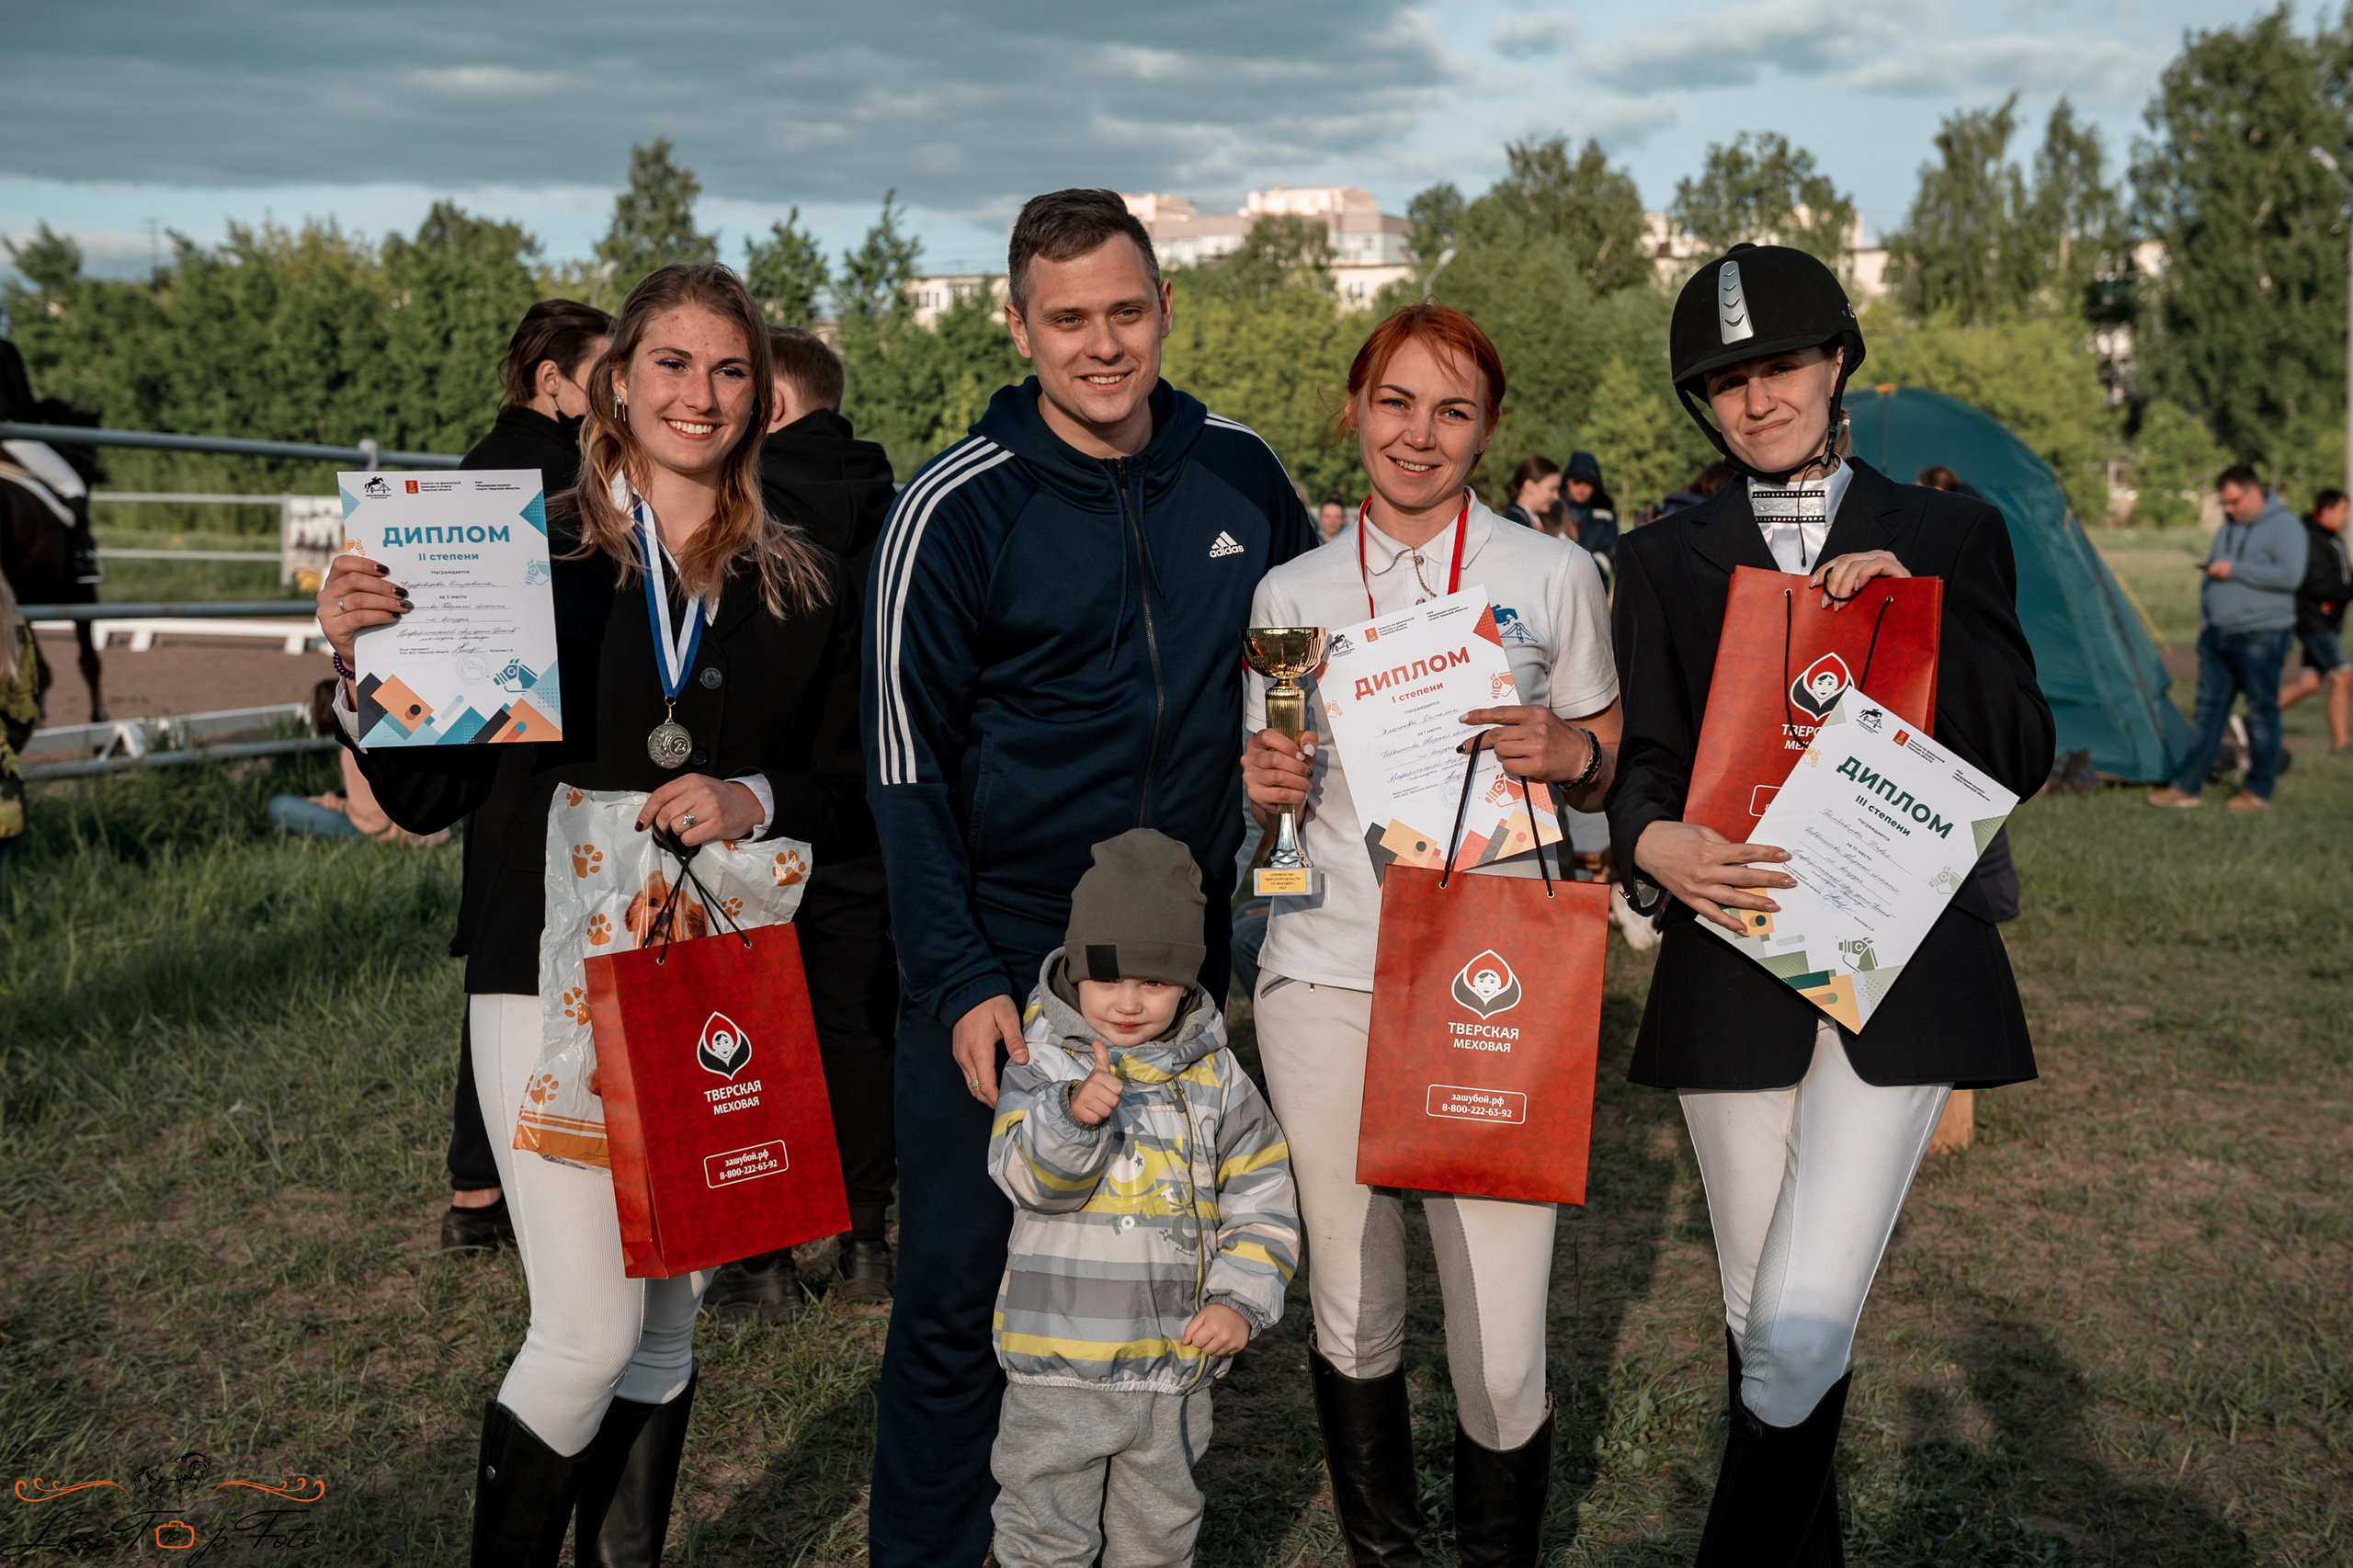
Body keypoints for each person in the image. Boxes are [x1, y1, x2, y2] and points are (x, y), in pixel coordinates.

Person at [319, 263, 865, 1566]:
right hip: (542, 972)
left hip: (709, 982)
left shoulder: (796, 578)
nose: (702, 394)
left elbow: (850, 793)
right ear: (616, 380)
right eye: (671, 363)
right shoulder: (524, 558)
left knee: (668, 1326)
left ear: (761, 392)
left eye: (730, 370)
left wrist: (756, 791)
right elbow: (432, 784)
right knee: (590, 1329)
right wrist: (360, 673)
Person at [861, 187, 1315, 1567]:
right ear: (1019, 326)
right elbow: (904, 769)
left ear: (1166, 307)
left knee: (1149, 1280)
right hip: (1001, 954)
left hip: (1178, 960)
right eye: (1069, 320)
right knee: (959, 1284)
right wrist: (956, 981)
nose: (1103, 345)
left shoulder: (1242, 474)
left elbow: (1312, 668)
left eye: (1127, 311)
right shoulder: (952, 508)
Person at [1611, 242, 2052, 1562]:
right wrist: (1652, 841)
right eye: (1725, 381)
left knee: (1801, 1327)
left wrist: (1922, 619)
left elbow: (2020, 748)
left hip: (1903, 963)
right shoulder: (1660, 555)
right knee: (1763, 1323)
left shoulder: (1952, 532)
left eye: (1782, 365)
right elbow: (1640, 762)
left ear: (1838, 358)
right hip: (1729, 953)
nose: (1757, 400)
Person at [1241, 301, 1621, 1564]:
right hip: (1329, 975)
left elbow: (1609, 761)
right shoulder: (1291, 592)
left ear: (1488, 430)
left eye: (1452, 409)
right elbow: (1277, 800)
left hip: (1493, 978)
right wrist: (1267, 792)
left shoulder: (1554, 574)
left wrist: (1571, 751)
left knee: (1503, 1338)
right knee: (1353, 1303)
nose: (1420, 433)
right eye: (1396, 401)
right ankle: (1386, 1551)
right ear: (1353, 408)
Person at [985, 830, 1299, 1568]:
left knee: (1159, 1535)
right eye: (1109, 980)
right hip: (1056, 1365)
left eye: (1155, 984)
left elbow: (1263, 1196)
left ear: (1187, 984)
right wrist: (1072, 1118)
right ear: (1074, 973)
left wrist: (1240, 1300)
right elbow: (1028, 1180)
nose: (1129, 1003)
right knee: (1043, 1535)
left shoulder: (1217, 1078)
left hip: (1174, 1368)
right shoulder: (1040, 1065)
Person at [702, 324, 903, 1319]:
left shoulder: (745, 509)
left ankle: (768, 1254)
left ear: (771, 402)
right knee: (858, 1024)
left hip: (764, 799)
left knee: (756, 1026)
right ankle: (868, 1242)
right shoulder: (907, 503)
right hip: (877, 799)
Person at [434, 299, 617, 1255]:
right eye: (602, 371)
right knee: (529, 967)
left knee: (498, 967)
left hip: (488, 745)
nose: (617, 389)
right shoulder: (562, 479)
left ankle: (475, 1189)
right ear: (551, 378)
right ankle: (512, 1175)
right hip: (543, 749)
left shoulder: (474, 466)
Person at [2147, 465, 2308, 811]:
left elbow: (2290, 576)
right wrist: (2206, 621)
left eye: (2234, 501)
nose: (2229, 509)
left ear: (2254, 492)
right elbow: (2213, 572)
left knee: (2262, 713)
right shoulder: (2228, 527)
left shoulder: (2286, 526)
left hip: (2261, 636)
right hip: (2218, 636)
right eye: (2225, 503)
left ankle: (2258, 790)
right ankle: (2186, 786)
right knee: (2207, 714)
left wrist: (2236, 570)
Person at [267, 678, 453, 846]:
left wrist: (335, 805)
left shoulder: (353, 747)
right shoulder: (393, 730)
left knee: (280, 806)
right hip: (433, 830)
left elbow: (375, 820)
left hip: (394, 835)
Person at [2279, 485, 2350, 753]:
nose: (2347, 517)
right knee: (2343, 676)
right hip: (2314, 621)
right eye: (2343, 511)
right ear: (2326, 511)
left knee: (2309, 683)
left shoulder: (2331, 537)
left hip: (2325, 622)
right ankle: (2342, 745)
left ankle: (2252, 721)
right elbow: (2317, 584)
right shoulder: (2310, 538)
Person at [0, 568, 38, 881]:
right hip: (4, 797)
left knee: (73, 518)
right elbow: (24, 717)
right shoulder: (14, 624)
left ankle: (82, 556)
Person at [1561, 449, 1619, 562]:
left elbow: (1609, 551)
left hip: (1594, 576)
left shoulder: (1605, 514)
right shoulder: (1551, 509)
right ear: (1567, 481)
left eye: (1588, 483)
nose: (1582, 489)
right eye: (1577, 482)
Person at [1501, 453, 1561, 529]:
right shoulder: (1515, 522)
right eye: (1551, 489)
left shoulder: (1531, 519)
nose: (1556, 497)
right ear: (1530, 486)